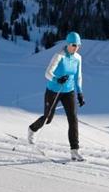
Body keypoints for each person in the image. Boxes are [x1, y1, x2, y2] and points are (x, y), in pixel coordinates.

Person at [28, 31, 85, 161]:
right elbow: (47, 73)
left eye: (78, 45)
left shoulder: (78, 58)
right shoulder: (59, 55)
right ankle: (32, 129)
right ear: (68, 44)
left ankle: (74, 151)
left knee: (73, 119)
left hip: (69, 91)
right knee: (48, 118)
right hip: (53, 90)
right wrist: (57, 79)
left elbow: (78, 76)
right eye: (73, 45)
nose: (76, 48)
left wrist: (80, 93)